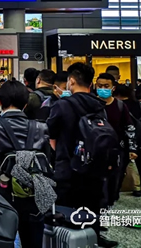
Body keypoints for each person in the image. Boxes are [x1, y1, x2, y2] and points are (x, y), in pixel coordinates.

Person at [47, 63, 118, 248]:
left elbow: (51, 137)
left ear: (71, 81)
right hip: (95, 169)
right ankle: (92, 240)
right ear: (91, 83)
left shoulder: (62, 105)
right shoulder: (99, 105)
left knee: (67, 213)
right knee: (92, 209)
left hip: (68, 169)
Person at [0, 81, 52, 248]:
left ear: (0, 101)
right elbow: (47, 161)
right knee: (33, 242)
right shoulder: (41, 127)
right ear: (25, 103)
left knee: (1, 241)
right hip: (34, 197)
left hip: (0, 195)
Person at [95, 73, 137, 207]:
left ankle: (111, 200)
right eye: (99, 86)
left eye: (106, 86)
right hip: (96, 149)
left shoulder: (120, 106)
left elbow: (129, 127)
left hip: (116, 149)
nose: (103, 88)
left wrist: (132, 148)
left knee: (114, 179)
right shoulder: (91, 104)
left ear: (113, 88)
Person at [114, 84, 141, 208]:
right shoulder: (139, 105)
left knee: (120, 170)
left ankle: (114, 195)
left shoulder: (118, 106)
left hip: (125, 142)